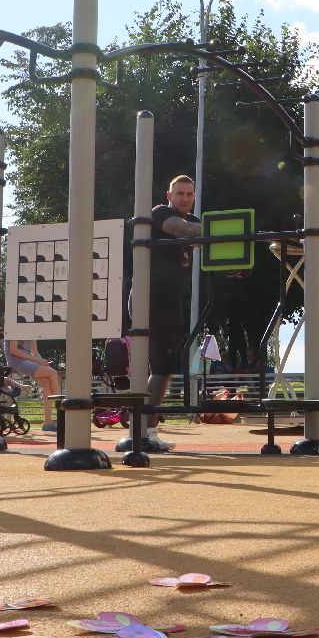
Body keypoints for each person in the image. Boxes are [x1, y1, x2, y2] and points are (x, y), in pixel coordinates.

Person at [136, 174, 203, 454]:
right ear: (169, 196)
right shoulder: (160, 214)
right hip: (150, 299)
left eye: (189, 194)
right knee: (160, 367)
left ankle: (148, 430)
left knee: (165, 368)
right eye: (180, 193)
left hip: (171, 302)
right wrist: (220, 230)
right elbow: (181, 230)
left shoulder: (196, 221)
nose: (185, 198)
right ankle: (143, 431)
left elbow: (207, 245)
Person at [7, 335, 62, 430]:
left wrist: (42, 362)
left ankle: (47, 423)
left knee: (47, 382)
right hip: (16, 361)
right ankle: (62, 413)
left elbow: (35, 353)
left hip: (29, 361)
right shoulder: (15, 327)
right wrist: (37, 360)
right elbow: (13, 350)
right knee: (53, 373)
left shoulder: (32, 331)